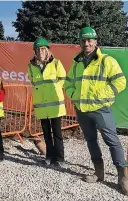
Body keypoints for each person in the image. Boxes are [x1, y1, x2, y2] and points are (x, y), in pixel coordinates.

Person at [64, 26, 127, 195]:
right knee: (91, 141)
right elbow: (68, 83)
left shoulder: (106, 61)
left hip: (101, 109)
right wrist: (74, 96)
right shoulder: (76, 63)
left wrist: (101, 95)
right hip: (82, 110)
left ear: (95, 42)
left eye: (90, 40)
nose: (87, 43)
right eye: (83, 40)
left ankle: (123, 177)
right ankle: (99, 173)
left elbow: (120, 82)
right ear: (80, 43)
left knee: (112, 141)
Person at [27, 37, 67, 167]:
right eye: (38, 50)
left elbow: (63, 79)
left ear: (47, 50)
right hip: (42, 106)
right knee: (46, 134)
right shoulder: (31, 66)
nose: (40, 52)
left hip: (55, 105)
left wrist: (55, 89)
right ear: (35, 51)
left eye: (43, 49)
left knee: (57, 133)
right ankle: (49, 156)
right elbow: (33, 82)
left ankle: (60, 159)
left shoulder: (56, 63)